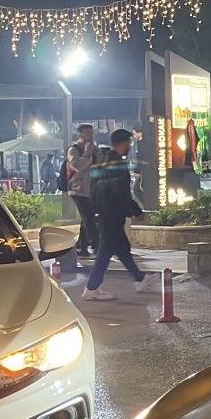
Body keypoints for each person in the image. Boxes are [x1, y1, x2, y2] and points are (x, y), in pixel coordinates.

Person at [82, 129, 158, 301]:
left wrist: (96, 209)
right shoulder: (118, 164)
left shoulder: (102, 162)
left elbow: (93, 189)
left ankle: (140, 279)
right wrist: (136, 211)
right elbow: (122, 192)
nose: (130, 145)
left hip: (105, 211)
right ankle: (92, 288)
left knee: (122, 249)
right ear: (123, 143)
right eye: (129, 142)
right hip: (113, 213)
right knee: (105, 252)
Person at [65, 125, 100, 258]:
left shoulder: (94, 149)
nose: (90, 135)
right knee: (88, 217)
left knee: (87, 218)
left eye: (91, 133)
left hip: (92, 189)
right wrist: (86, 154)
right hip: (77, 189)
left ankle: (82, 247)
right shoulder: (74, 149)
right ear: (80, 134)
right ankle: (97, 246)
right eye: (87, 133)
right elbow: (77, 166)